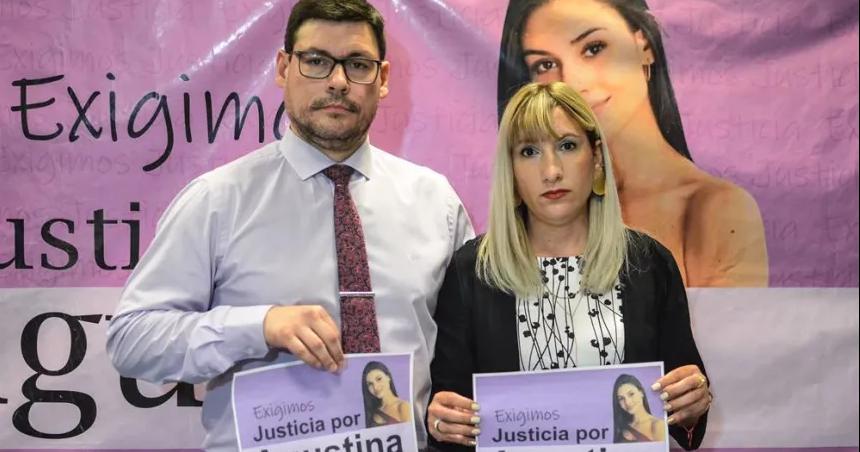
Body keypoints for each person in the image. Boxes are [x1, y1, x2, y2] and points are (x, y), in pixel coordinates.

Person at [105, 1, 474, 450]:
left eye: (358, 65)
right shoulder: (218, 200)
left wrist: (448, 406)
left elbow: (466, 349)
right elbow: (132, 340)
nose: (338, 81)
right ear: (283, 68)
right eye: (316, 61)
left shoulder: (436, 203)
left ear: (382, 79)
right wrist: (259, 326)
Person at [427, 82, 711, 451]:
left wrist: (691, 404)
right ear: (511, 173)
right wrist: (443, 421)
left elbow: (684, 419)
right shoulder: (473, 271)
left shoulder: (648, 263)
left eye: (567, 146)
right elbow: (449, 412)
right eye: (529, 151)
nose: (551, 171)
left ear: (596, 159)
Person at [497, 0, 768, 287]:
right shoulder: (540, 208)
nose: (574, 83)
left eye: (594, 48)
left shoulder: (715, 211)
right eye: (545, 65)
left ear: (644, 45)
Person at [613, 374, 666, 443]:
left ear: (641, 392)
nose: (628, 402)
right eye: (621, 398)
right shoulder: (622, 428)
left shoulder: (657, 425)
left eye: (631, 394)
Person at [362, 361, 412, 427]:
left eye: (379, 379)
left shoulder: (403, 406)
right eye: (370, 384)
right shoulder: (373, 412)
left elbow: (409, 433)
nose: (375, 387)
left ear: (388, 377)